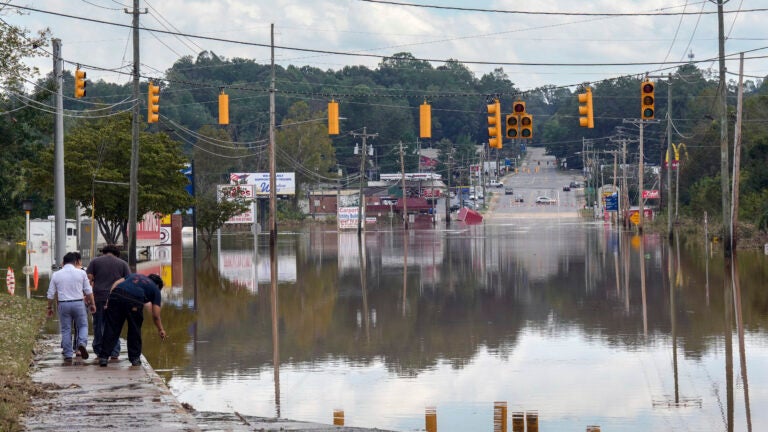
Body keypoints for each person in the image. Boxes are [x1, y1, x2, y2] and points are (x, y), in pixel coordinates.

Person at [98, 273, 166, 367]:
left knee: (111, 327)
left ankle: (103, 357)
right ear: (158, 286)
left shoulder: (134, 276)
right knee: (134, 330)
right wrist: (161, 329)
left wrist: (110, 298)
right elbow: (156, 315)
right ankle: (134, 359)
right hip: (135, 300)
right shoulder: (155, 289)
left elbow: (117, 282)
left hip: (116, 295)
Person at [46, 252, 97, 362]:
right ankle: (81, 343)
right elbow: (88, 291)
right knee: (83, 326)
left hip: (63, 304)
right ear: (75, 262)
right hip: (78, 303)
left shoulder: (56, 274)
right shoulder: (81, 273)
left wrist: (49, 307)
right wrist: (92, 304)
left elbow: (50, 294)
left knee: (66, 329)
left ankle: (68, 354)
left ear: (63, 263)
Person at [86, 244, 130, 361]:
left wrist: (88, 297)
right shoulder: (123, 264)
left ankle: (99, 350)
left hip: (98, 297)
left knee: (98, 324)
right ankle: (114, 351)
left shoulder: (94, 262)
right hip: (117, 298)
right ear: (117, 254)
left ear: (103, 252)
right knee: (114, 325)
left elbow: (88, 280)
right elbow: (128, 281)